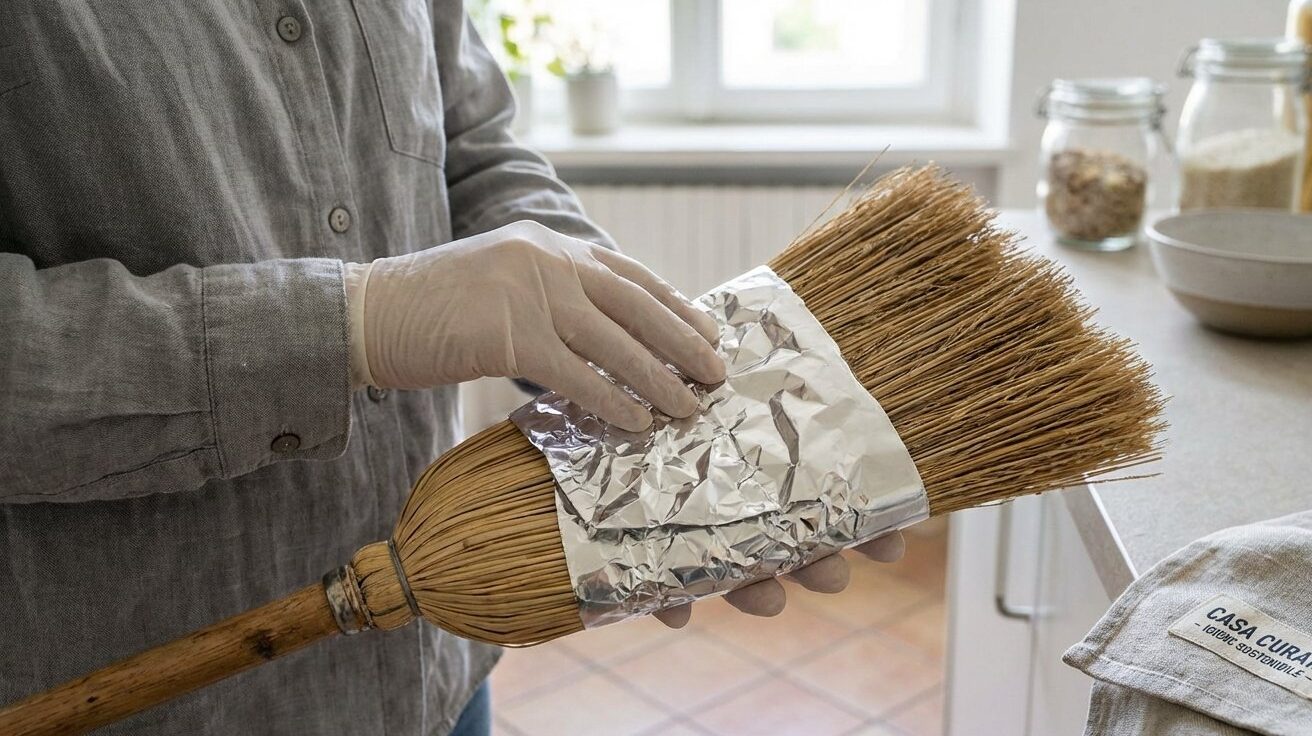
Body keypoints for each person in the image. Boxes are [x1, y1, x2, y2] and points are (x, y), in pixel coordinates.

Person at [0, 2, 904, 734]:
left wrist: (620, 341)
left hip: (436, 674)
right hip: (153, 698)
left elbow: (474, 144)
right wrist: (355, 324)